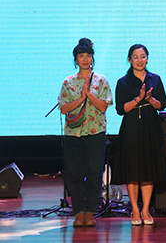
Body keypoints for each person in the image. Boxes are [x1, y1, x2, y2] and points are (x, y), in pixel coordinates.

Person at [58, 38, 113, 227]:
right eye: (81, 56)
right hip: (73, 133)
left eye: (88, 55)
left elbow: (104, 107)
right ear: (75, 59)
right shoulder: (68, 81)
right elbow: (64, 108)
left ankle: (90, 211)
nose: (85, 59)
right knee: (73, 173)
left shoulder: (101, 80)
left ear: (92, 58)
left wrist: (89, 94)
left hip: (96, 132)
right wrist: (80, 98)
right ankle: (78, 211)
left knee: (94, 173)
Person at [112, 44, 166, 226]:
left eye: (142, 56)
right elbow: (121, 109)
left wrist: (151, 99)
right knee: (133, 170)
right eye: (135, 57)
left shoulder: (155, 79)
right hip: (131, 129)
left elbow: (163, 105)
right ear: (129, 60)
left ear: (147, 58)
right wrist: (138, 98)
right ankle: (135, 210)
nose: (139, 60)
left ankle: (145, 209)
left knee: (148, 169)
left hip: (150, 126)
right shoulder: (123, 81)